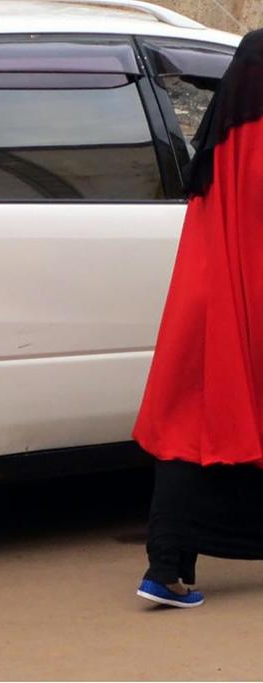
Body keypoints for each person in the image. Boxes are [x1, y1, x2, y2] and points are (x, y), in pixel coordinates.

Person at [133, 29, 263, 608]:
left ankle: (165, 570)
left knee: (187, 430)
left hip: (200, 296)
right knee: (234, 424)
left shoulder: (219, 139)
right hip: (245, 301)